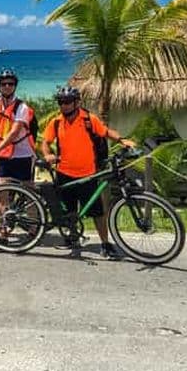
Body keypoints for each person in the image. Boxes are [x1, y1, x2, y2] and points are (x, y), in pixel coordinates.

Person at [40, 86, 135, 259]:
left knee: (98, 212)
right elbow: (45, 142)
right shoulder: (56, 122)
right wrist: (47, 154)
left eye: (68, 102)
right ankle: (72, 237)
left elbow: (106, 132)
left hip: (87, 174)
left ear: (77, 102)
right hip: (64, 172)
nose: (64, 105)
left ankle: (105, 244)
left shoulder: (89, 119)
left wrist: (122, 140)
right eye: (61, 102)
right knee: (69, 211)